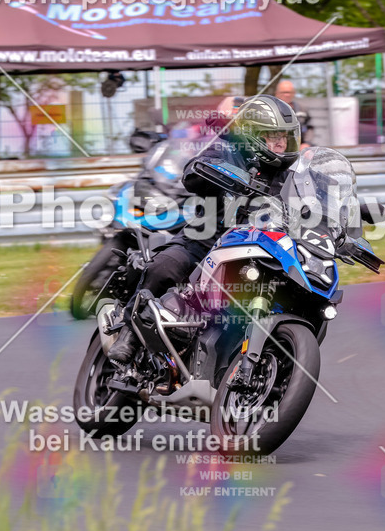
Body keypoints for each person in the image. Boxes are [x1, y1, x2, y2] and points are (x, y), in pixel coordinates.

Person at [107, 94, 302, 365]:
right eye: (273, 135)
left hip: (261, 250)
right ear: (254, 135)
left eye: (285, 136)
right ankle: (129, 333)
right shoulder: (227, 150)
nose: (281, 143)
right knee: (166, 266)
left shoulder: (291, 173)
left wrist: (343, 211)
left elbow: (313, 197)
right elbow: (192, 172)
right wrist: (209, 171)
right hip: (206, 241)